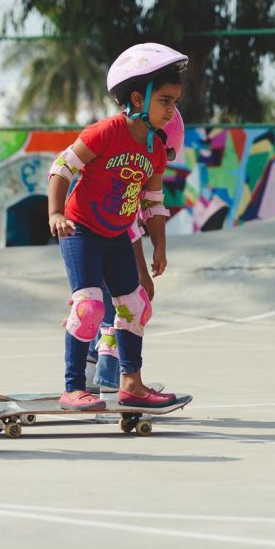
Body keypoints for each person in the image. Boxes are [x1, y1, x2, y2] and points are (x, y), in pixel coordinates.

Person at [46, 42, 184, 411]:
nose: (172, 111)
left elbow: (153, 203)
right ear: (138, 99)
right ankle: (74, 387)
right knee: (89, 307)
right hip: (81, 230)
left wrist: (160, 247)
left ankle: (131, 385)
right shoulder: (105, 132)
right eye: (165, 101)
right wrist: (55, 213)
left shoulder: (156, 150)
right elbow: (62, 167)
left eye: (174, 102)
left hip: (117, 234)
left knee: (135, 306)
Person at [89, 108, 186, 399]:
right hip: (101, 239)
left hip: (88, 239)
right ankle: (108, 380)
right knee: (126, 306)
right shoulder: (130, 169)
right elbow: (128, 229)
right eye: (163, 156)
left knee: (96, 308)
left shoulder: (122, 158)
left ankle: (87, 374)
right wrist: (142, 273)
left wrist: (160, 246)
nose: (160, 166)